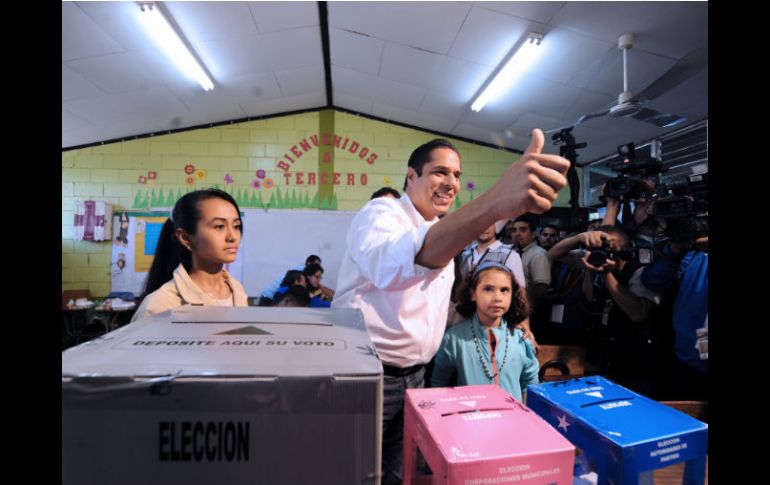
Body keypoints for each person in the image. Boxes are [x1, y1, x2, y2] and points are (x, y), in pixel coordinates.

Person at [332, 130, 570, 484]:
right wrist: (494, 203)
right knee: (355, 470)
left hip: (416, 375)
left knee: (398, 471)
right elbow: (395, 266)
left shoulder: (440, 228)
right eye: (440, 172)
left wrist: (516, 323)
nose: (451, 183)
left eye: (457, 175)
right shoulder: (381, 214)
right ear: (411, 176)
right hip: (369, 376)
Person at [131, 189, 248, 321]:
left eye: (236, 226)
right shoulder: (159, 305)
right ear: (185, 238)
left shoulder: (237, 290)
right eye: (220, 226)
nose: (233, 237)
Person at [431, 262, 539, 402]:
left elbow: (530, 384)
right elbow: (439, 385)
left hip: (514, 421)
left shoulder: (520, 337)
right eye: (488, 289)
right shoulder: (454, 338)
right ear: (472, 294)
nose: (497, 298)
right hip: (470, 420)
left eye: (504, 290)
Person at [257, 254, 322, 306]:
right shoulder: (302, 272)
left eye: (319, 265)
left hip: (269, 297)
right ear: (308, 263)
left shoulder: (299, 270)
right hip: (268, 298)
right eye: (316, 264)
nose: (318, 267)